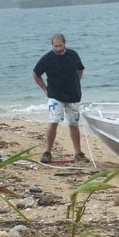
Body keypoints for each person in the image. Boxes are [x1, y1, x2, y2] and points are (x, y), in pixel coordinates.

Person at [32, 33, 90, 164]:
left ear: (65, 43)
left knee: (73, 124)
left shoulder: (73, 54)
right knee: (53, 122)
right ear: (52, 45)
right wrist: (45, 89)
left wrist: (76, 82)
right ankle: (47, 152)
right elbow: (35, 74)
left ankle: (78, 153)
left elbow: (80, 69)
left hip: (73, 95)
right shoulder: (47, 58)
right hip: (55, 95)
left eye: (60, 45)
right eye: (55, 46)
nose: (58, 48)